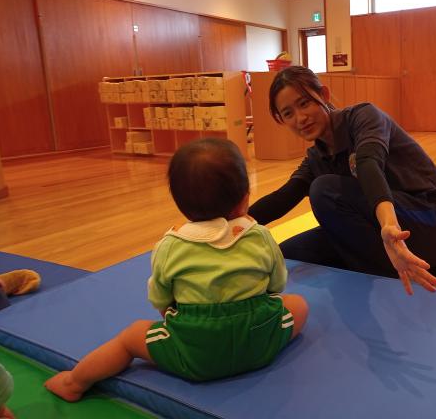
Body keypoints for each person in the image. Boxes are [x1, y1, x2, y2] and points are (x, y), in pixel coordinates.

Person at [45, 138, 308, 401]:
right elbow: (277, 284)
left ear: (181, 205)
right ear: (245, 200)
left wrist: (175, 312)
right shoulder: (260, 236)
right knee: (298, 305)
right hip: (259, 344)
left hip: (194, 355)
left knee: (130, 338)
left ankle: (74, 382)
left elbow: (160, 298)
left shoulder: (170, 245)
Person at [249, 66, 436, 295]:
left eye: (304, 103)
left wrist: (389, 226)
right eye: (288, 114)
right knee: (285, 255)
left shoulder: (363, 117)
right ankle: (379, 265)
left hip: (432, 223)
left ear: (324, 95)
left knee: (324, 190)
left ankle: (383, 274)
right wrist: (232, 225)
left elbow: (368, 163)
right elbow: (284, 197)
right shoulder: (317, 156)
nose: (300, 118)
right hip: (384, 230)